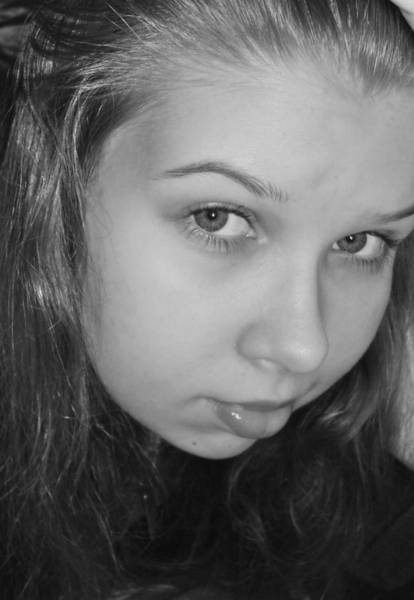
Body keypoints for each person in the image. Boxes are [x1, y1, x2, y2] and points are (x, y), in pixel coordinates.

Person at [1, 1, 414, 598]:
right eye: (217, 218)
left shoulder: (359, 503)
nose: (305, 347)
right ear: (53, 172)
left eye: (360, 242)